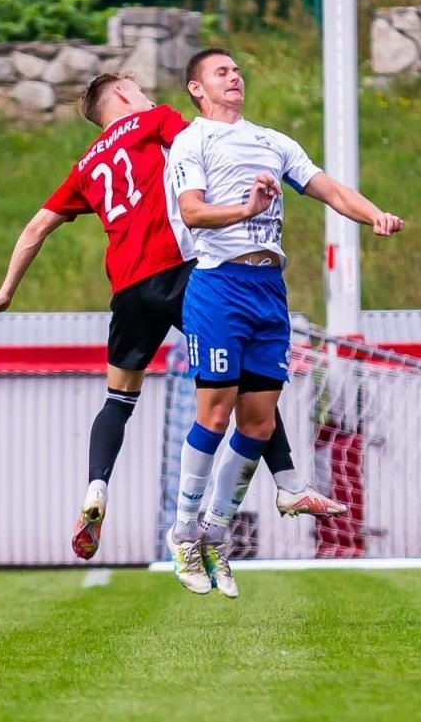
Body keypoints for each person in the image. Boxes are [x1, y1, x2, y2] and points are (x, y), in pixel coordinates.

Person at [0, 72, 343, 564]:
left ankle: (96, 488)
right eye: (139, 88)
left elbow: (37, 226)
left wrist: (5, 290)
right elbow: (210, 141)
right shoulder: (157, 121)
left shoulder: (85, 165)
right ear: (124, 93)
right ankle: (288, 481)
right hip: (182, 272)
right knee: (243, 373)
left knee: (118, 400)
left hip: (128, 288)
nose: (147, 94)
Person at [165, 47, 404, 598]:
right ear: (196, 89)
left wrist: (374, 216)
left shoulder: (274, 142)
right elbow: (193, 210)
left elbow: (330, 188)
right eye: (221, 72)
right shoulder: (192, 140)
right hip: (219, 285)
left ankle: (216, 534)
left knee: (258, 422)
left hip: (268, 291)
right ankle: (183, 530)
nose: (235, 77)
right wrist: (246, 211)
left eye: (237, 70)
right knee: (217, 410)